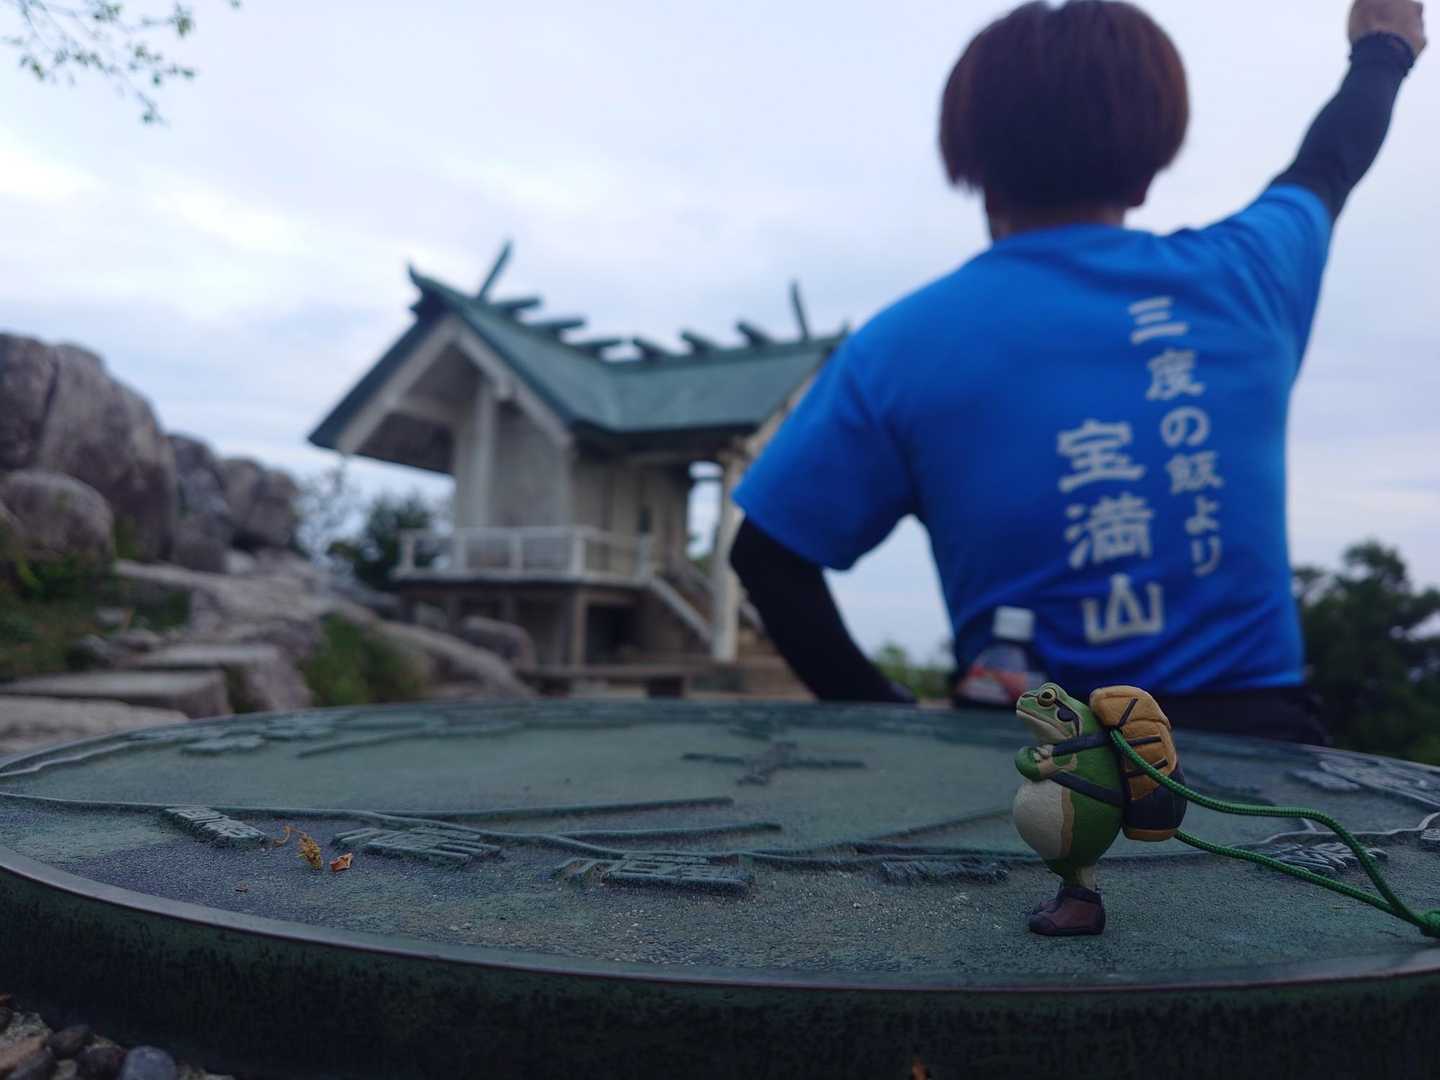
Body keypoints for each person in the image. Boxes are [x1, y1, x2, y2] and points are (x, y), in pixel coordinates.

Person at [730, 0, 1426, 743]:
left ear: (972, 167)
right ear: (1146, 173)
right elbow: (1329, 162)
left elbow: (766, 557)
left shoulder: (899, 345)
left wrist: (889, 721)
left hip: (1029, 762)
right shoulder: (1246, 276)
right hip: (1258, 754)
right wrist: (1384, 46)